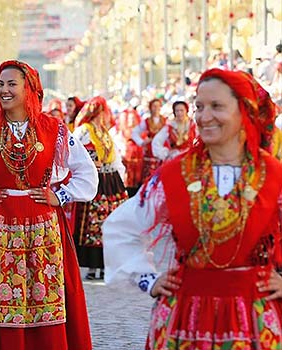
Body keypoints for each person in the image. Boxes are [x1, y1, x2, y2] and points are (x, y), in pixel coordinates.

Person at [103, 68, 282, 349]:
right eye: (199, 106)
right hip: (185, 314)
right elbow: (121, 228)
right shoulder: (175, 174)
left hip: (254, 316)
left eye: (217, 106)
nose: (203, 116)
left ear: (245, 110)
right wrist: (148, 279)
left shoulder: (273, 174)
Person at [0, 60, 96, 350]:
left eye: (12, 84)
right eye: (1, 84)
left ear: (29, 89)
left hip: (42, 228)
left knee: (43, 297)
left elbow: (88, 174)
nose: (4, 90)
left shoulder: (54, 130)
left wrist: (60, 195)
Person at [72, 96, 127, 280]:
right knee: (93, 222)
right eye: (103, 112)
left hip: (111, 180)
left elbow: (116, 156)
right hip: (96, 179)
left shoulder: (105, 132)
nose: (105, 116)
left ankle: (106, 265)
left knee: (110, 221)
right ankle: (93, 265)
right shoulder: (84, 130)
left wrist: (121, 176)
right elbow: (73, 150)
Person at [131, 98, 166, 181]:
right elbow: (134, 132)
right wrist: (142, 142)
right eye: (154, 106)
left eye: (158, 106)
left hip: (161, 149)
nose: (156, 108)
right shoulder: (146, 122)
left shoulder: (165, 121)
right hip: (149, 151)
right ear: (150, 108)